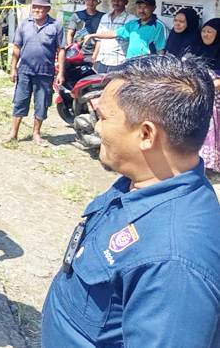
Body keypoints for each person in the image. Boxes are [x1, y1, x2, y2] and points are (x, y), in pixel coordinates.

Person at [41, 55, 220, 347]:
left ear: (146, 134)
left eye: (104, 118)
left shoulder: (176, 262)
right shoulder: (140, 182)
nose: (97, 128)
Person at [6, 0, 65, 146]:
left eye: (41, 7)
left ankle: (36, 134)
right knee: (19, 101)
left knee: (42, 104)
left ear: (48, 9)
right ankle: (13, 133)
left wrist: (61, 73)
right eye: (35, 7)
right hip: (24, 71)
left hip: (45, 73)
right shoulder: (24, 24)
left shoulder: (56, 26)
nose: (37, 10)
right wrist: (13, 69)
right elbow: (17, 47)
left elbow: (61, 50)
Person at [91, 0, 167, 59]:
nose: (141, 10)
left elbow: (161, 51)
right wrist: (92, 35)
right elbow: (114, 33)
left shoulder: (159, 26)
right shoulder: (133, 24)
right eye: (139, 7)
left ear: (153, 8)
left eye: (145, 7)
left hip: (146, 66)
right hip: (130, 64)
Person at [195, 19, 220, 172]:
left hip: (215, 100)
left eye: (210, 31)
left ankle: (211, 163)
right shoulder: (198, 49)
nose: (205, 34)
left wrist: (206, 86)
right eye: (204, 31)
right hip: (199, 96)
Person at [91, 0, 136, 73]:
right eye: (114, 0)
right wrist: (95, 55)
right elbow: (99, 39)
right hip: (102, 60)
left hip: (119, 61)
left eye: (119, 0)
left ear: (126, 2)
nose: (116, 3)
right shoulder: (105, 17)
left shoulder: (132, 20)